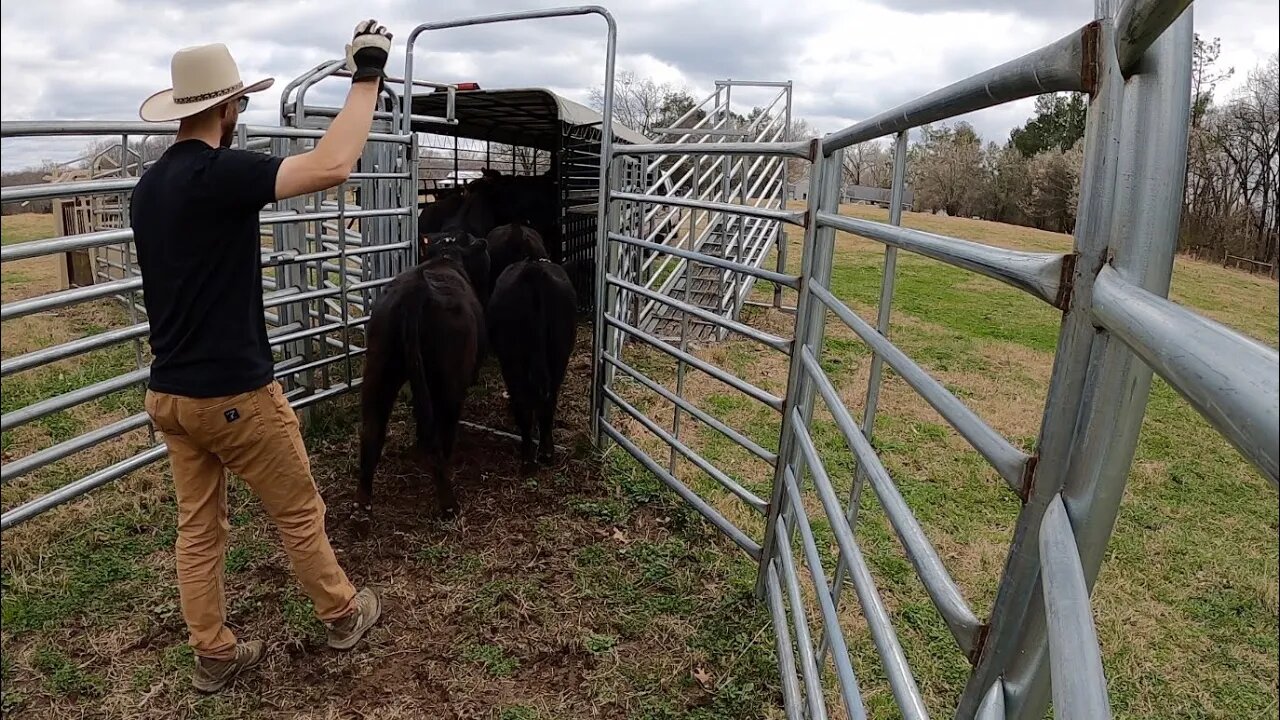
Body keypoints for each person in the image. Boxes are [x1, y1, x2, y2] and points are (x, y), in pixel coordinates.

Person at [132, 20, 393, 693]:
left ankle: (214, 654)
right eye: (239, 105)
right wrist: (367, 76)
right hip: (234, 395)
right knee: (299, 512)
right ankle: (341, 613)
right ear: (224, 108)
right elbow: (333, 165)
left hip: (171, 394)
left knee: (199, 530)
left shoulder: (148, 189)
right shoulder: (218, 174)